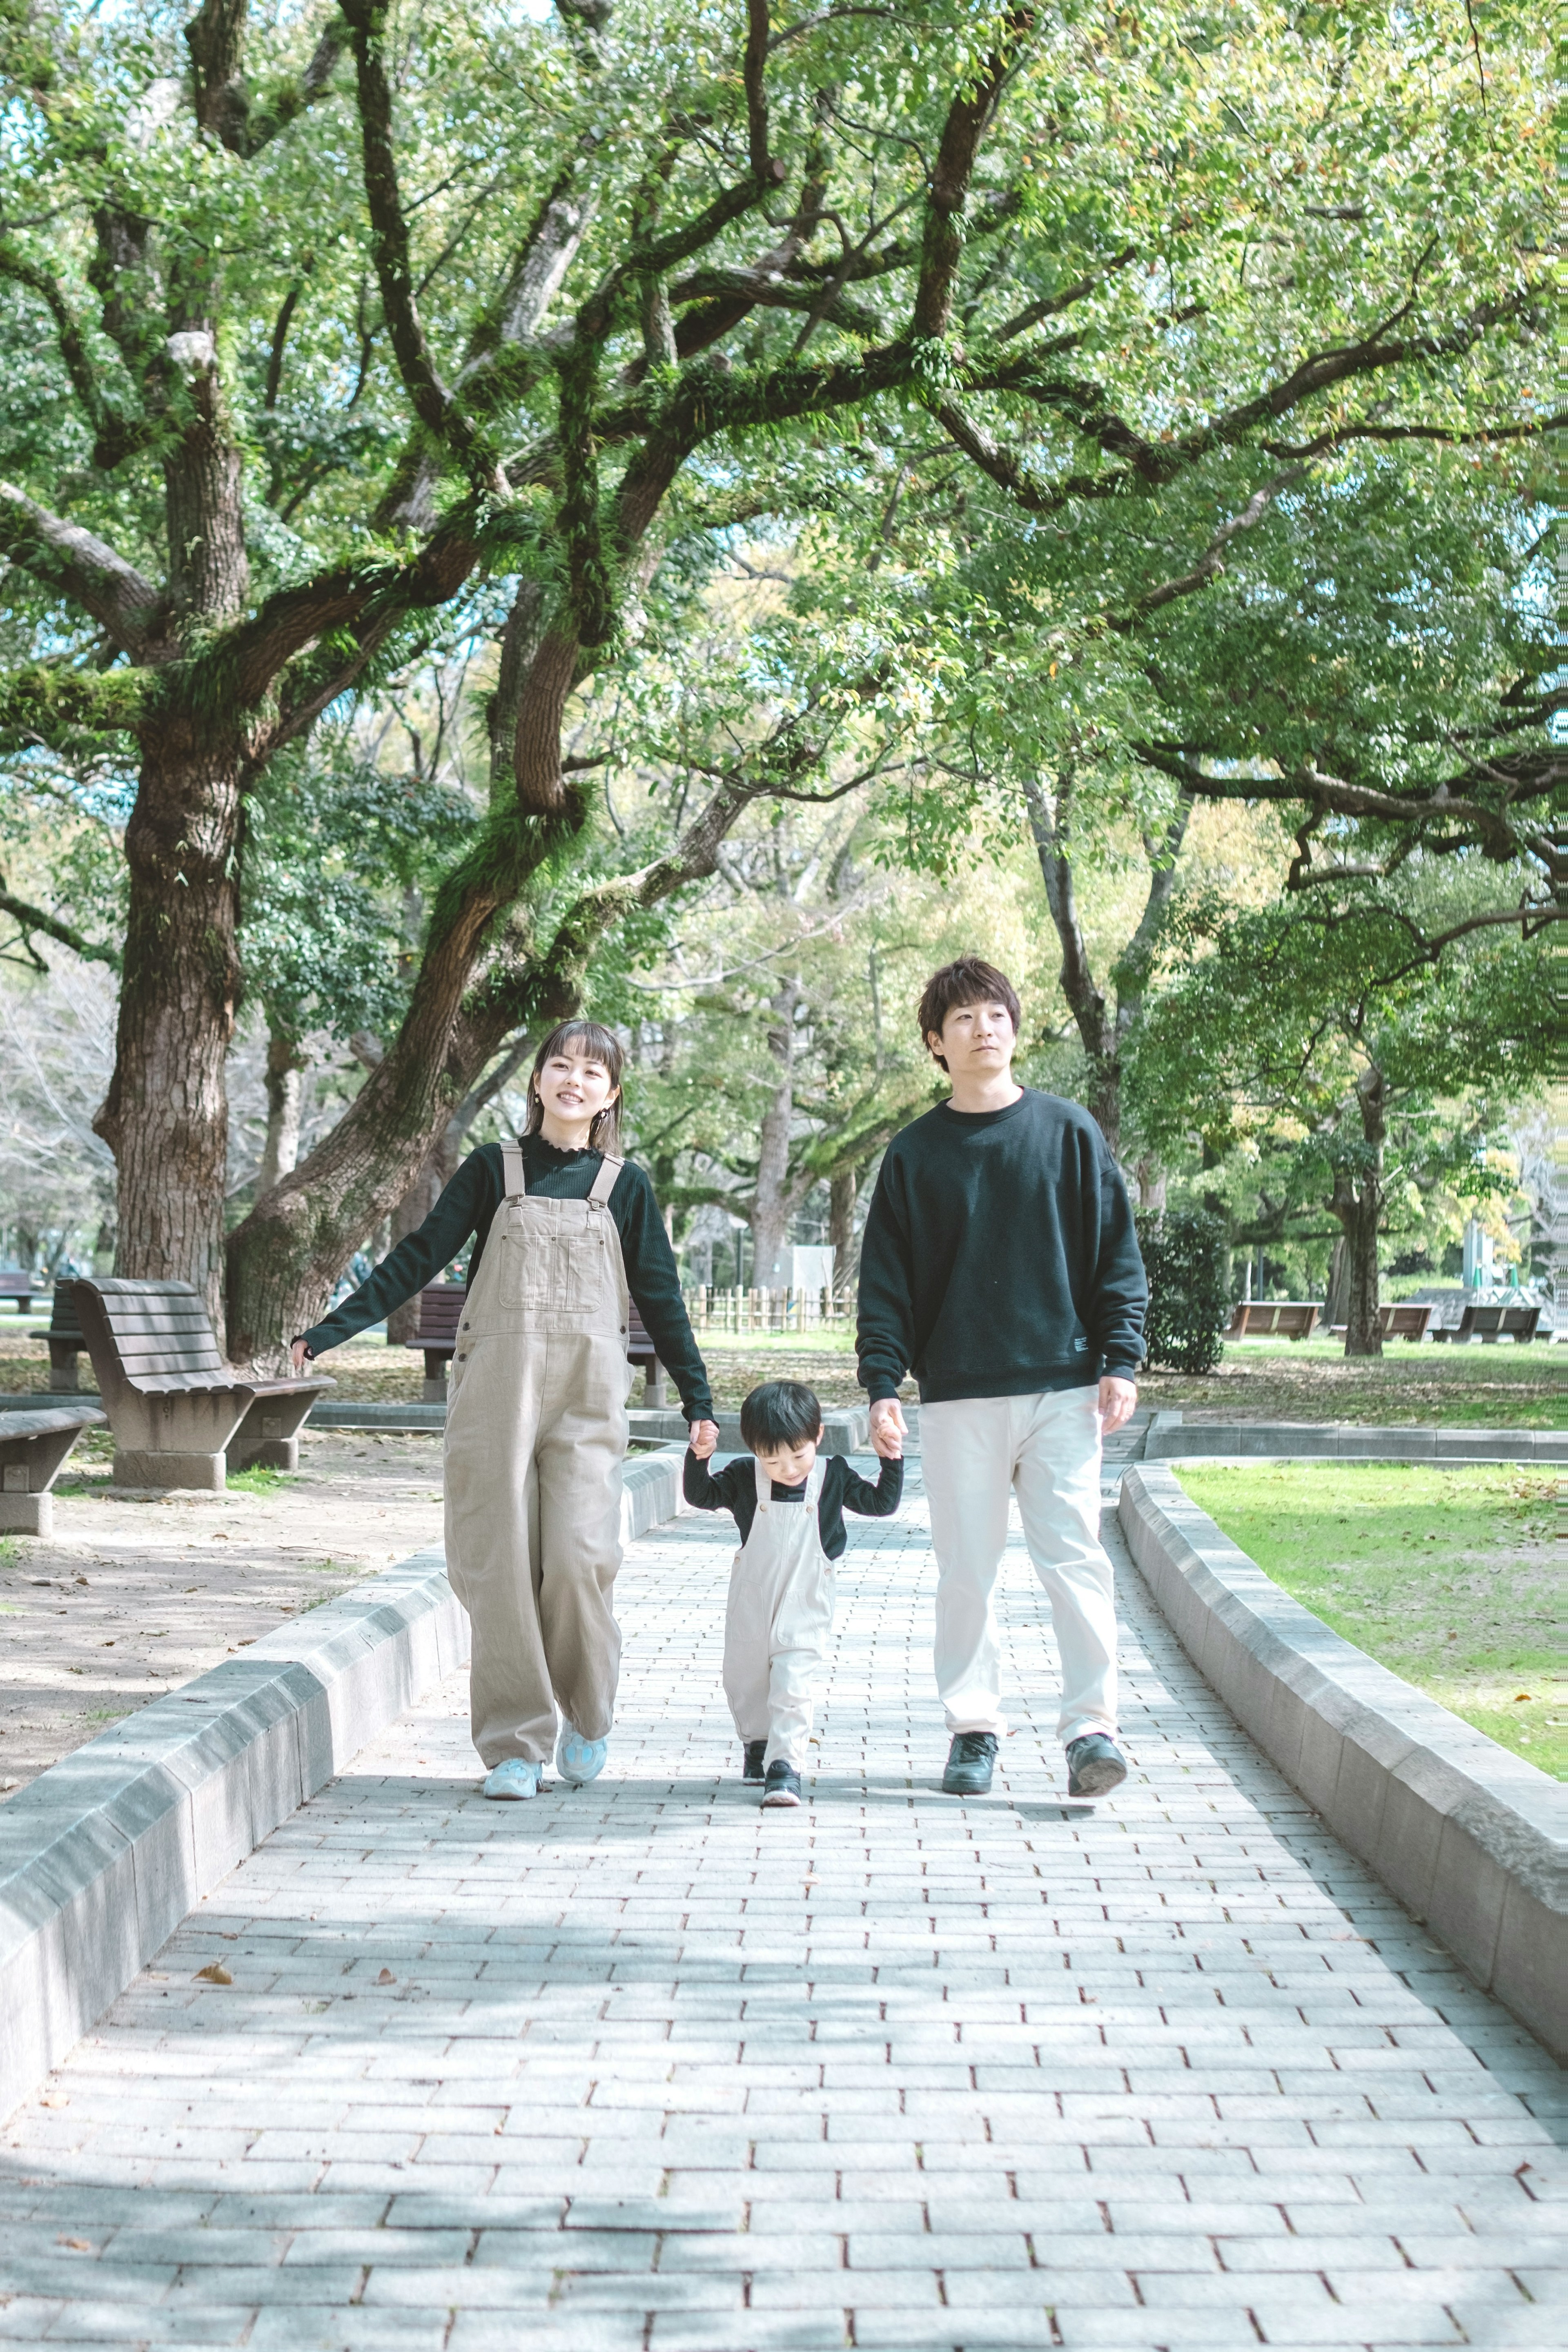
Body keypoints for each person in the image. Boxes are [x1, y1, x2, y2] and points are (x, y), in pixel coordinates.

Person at [292, 1019, 719, 1800]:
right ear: (536, 1082)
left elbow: (659, 1293)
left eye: (593, 1073)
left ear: (611, 1094)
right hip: (497, 1392)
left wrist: (699, 1396)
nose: (574, 1080)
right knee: (499, 1564)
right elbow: (421, 1255)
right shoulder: (496, 1169)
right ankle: (516, 1746)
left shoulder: (624, 1186)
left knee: (581, 1557)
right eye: (560, 1065)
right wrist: (329, 1331)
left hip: (587, 1399)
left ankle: (588, 1714)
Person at [855, 956, 1147, 1800]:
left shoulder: (1069, 1131)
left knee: (1075, 1561)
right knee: (966, 1570)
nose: (985, 1027)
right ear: (935, 1044)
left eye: (997, 1012)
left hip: (1063, 1388)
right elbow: (887, 1285)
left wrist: (1120, 1359)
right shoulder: (913, 1156)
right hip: (959, 1397)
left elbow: (1115, 1256)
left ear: (1016, 1026)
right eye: (964, 1018)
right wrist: (882, 1384)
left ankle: (1093, 1729)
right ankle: (974, 1728)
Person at [686, 1380, 903, 1808]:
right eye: (772, 1459)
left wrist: (890, 1460)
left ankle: (785, 1767)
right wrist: (699, 1458)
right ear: (753, 1451)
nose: (788, 1468)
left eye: (799, 1456)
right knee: (744, 1679)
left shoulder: (833, 1476)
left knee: (792, 1682)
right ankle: (758, 1743)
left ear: (817, 1436)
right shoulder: (744, 1479)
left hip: (807, 1600)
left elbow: (882, 1504)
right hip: (754, 1598)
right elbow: (701, 1495)